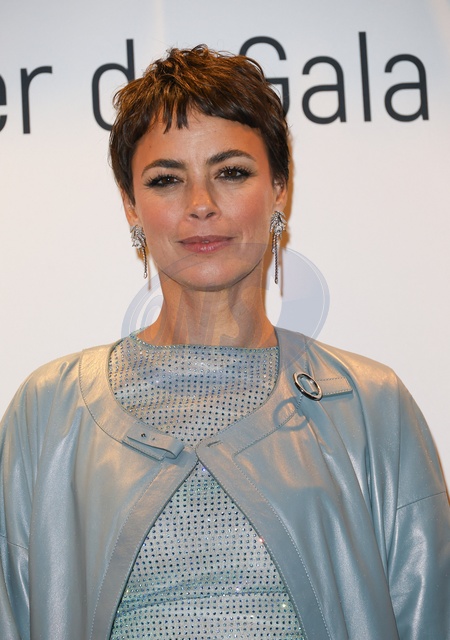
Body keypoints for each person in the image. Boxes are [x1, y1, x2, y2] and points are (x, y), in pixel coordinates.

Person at [0, 45, 449, 640]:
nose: (201, 205)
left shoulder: (371, 405)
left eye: (231, 172)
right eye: (166, 180)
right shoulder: (48, 412)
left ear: (280, 189)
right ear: (131, 206)